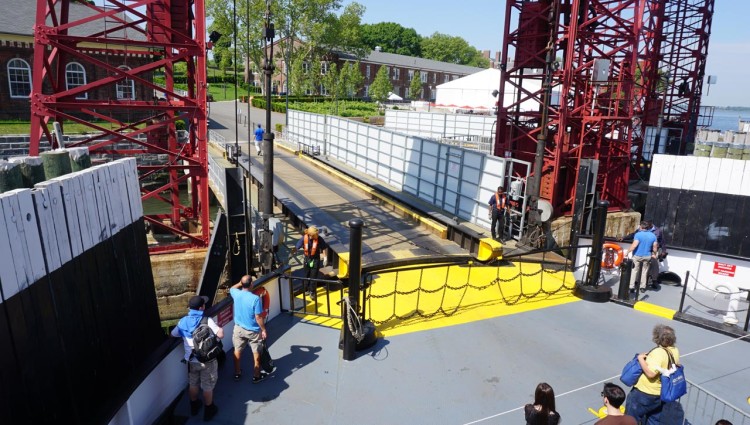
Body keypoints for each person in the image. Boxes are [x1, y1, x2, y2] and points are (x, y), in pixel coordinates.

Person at [171, 295, 223, 421]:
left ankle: (194, 406)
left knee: (193, 383)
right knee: (207, 385)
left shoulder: (182, 321)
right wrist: (219, 328)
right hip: (207, 360)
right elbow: (220, 334)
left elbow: (173, 334)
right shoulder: (207, 320)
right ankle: (209, 410)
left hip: (191, 360)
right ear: (201, 307)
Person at [624, 324, 681, 424]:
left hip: (644, 393)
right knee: (654, 419)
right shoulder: (674, 350)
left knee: (631, 419)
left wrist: (640, 359)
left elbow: (651, 374)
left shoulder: (658, 353)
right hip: (659, 393)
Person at [230, 275, 269, 384]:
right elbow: (258, 317)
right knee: (256, 352)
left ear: (242, 284)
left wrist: (240, 283)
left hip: (238, 329)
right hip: (253, 331)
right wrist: (264, 329)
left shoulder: (236, 294)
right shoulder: (255, 299)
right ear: (251, 284)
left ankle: (237, 373)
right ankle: (256, 376)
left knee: (237, 350)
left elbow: (232, 288)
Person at [291, 226, 328, 300]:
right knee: (306, 275)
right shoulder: (304, 239)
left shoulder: (319, 239)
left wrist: (325, 257)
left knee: (313, 276)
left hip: (315, 259)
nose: (317, 236)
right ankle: (306, 289)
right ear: (311, 235)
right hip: (307, 259)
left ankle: (312, 292)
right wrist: (292, 252)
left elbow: (324, 247)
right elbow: (297, 246)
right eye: (315, 235)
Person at [626, 221, 658, 294]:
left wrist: (627, 252)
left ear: (641, 227)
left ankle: (631, 287)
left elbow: (634, 245)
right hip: (647, 256)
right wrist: (654, 254)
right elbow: (655, 247)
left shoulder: (638, 235)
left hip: (637, 256)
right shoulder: (653, 235)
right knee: (644, 271)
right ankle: (642, 287)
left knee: (634, 271)